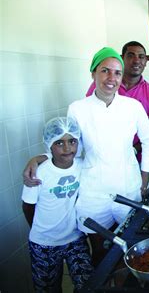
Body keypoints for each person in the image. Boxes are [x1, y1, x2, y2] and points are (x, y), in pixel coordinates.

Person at [24, 47, 149, 266]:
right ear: (93, 74)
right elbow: (68, 145)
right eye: (105, 71)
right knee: (99, 251)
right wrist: (40, 158)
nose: (111, 78)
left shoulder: (133, 107)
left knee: (132, 248)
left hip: (128, 188)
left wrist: (144, 179)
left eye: (116, 72)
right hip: (93, 192)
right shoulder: (78, 108)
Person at [22, 117, 93, 292]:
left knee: (87, 284)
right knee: (48, 288)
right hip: (44, 243)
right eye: (59, 143)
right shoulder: (38, 173)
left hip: (75, 239)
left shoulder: (82, 166)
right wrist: (42, 231)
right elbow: (28, 207)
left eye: (72, 141)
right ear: (49, 145)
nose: (67, 148)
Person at [86, 41, 149, 157]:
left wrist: (133, 151)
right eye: (131, 55)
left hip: (136, 159)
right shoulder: (103, 85)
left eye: (141, 57)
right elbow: (89, 117)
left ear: (146, 62)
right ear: (122, 59)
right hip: (101, 155)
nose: (136, 60)